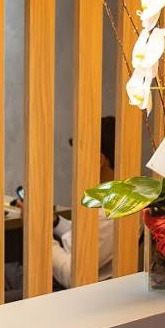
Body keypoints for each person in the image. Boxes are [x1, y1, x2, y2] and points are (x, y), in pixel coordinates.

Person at [50, 117, 116, 289]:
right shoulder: (118, 196)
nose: (76, 163)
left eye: (80, 156)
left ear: (99, 160)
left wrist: (40, 236)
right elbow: (85, 236)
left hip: (83, 293)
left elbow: (73, 275)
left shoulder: (108, 211)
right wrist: (55, 223)